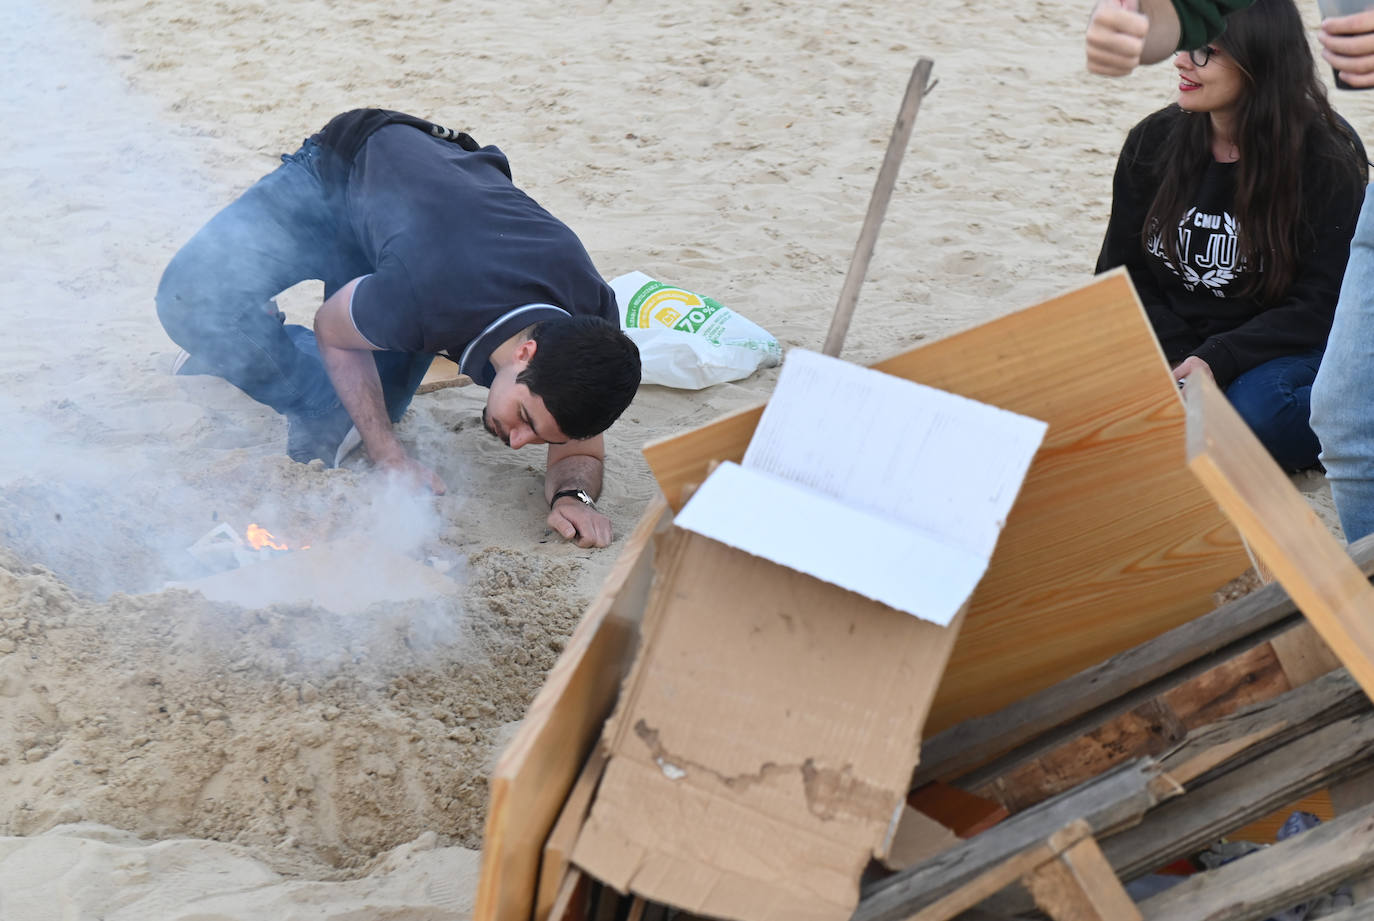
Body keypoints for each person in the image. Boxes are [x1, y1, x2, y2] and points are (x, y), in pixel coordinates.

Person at [156, 109, 641, 549]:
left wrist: (574, 496)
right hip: (338, 179)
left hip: (421, 230)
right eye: (526, 422)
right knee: (193, 301)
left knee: (347, 418)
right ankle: (244, 341)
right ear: (526, 353)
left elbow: (578, 437)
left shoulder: (588, 328)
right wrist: (390, 456)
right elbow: (333, 328)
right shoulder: (432, 294)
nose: (517, 443)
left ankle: (258, 345)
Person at [1095, 0, 1367, 471]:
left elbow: (1323, 302)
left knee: (1258, 417)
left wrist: (1219, 359)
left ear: (1259, 61)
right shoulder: (1152, 142)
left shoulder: (1326, 159)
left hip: (1279, 346)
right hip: (1177, 342)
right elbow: (1120, 274)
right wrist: (1186, 361)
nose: (1181, 60)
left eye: (1205, 52)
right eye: (1184, 45)